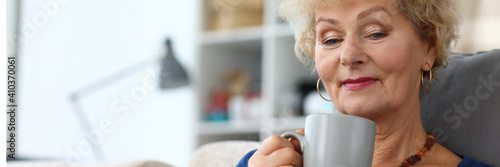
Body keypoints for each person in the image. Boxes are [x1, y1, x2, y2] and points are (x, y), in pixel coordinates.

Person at [237, 0, 492, 166]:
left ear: (429, 48)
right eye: (331, 39)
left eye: (375, 33)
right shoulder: (263, 162)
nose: (348, 56)